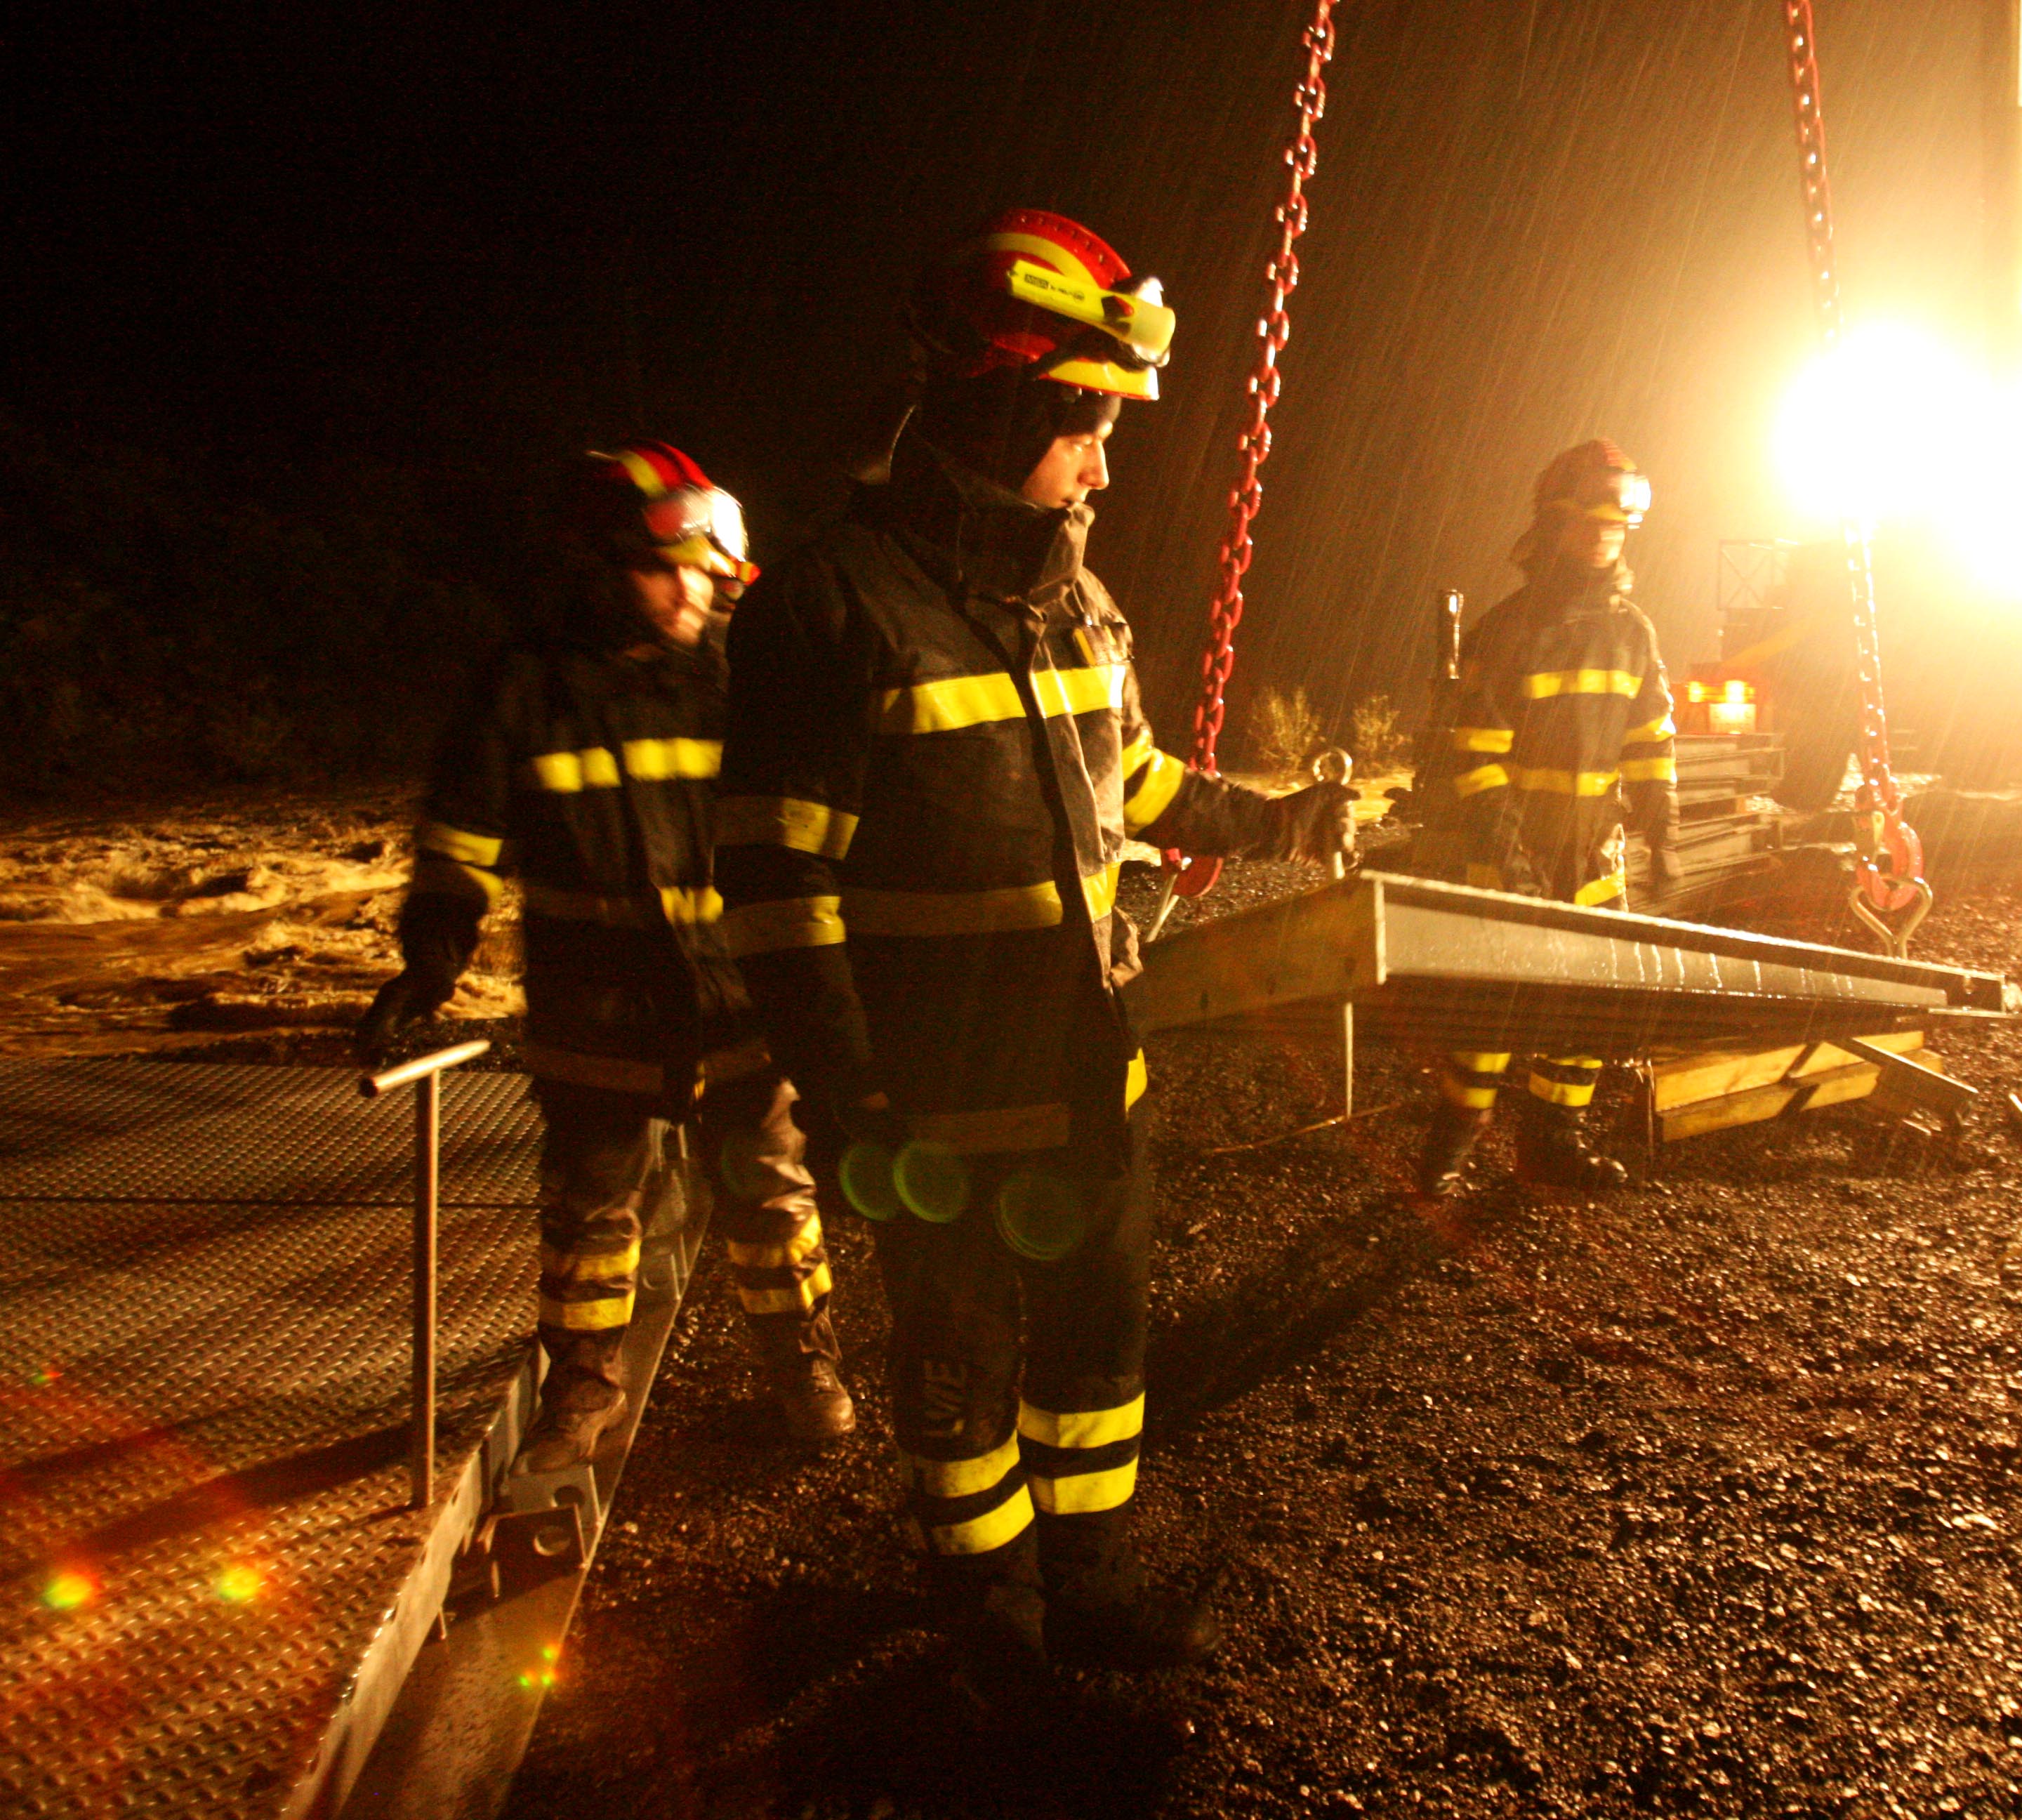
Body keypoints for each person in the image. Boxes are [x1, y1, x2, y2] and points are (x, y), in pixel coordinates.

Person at [711, 209, 1354, 1717]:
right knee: (953, 1369)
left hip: (1086, 1080)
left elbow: (1136, 784)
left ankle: (1092, 1580)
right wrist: (850, 1095)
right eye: (1088, 429)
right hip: (928, 1112)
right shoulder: (832, 610)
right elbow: (780, 887)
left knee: (1096, 1352)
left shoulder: (1076, 602)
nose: (1104, 470)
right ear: (1006, 407)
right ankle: (984, 1608)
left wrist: (1278, 821)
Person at [359, 443, 857, 1473]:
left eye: (704, 574)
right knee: (590, 1219)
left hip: (734, 1000)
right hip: (597, 1013)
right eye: (663, 571)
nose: (690, 593)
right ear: (598, 568)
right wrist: (430, 961)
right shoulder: (527, 688)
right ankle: (581, 1390)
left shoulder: (738, 681)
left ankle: (803, 1367)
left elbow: (810, 826)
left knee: (772, 1199)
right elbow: (461, 842)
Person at [1417, 438, 1679, 1196]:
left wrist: (1662, 829)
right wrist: (1509, 857)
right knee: (1491, 1012)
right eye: (1587, 523)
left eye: (1615, 526)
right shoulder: (1510, 632)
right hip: (1512, 854)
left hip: (1592, 855)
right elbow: (1477, 760)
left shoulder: (1634, 632)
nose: (1601, 538)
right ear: (1553, 526)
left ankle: (1552, 1145)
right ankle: (1451, 1146)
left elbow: (1650, 738)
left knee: (1588, 1006)